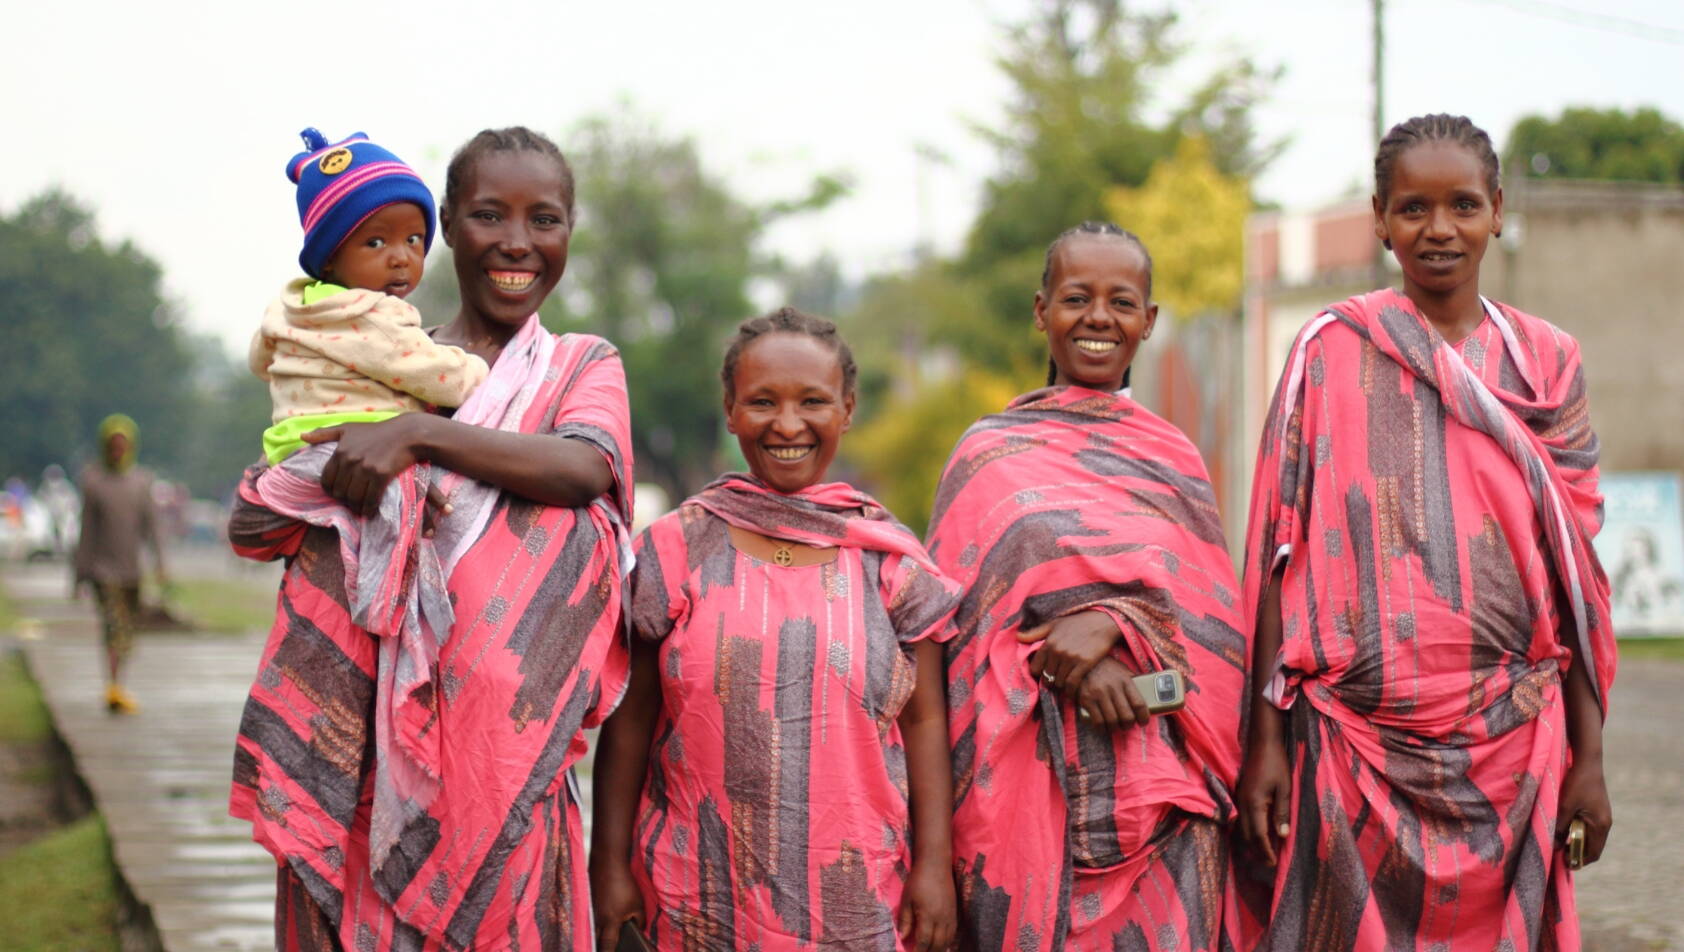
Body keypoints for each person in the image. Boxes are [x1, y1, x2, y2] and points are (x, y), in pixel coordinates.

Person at [228, 126, 634, 951]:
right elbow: (269, 508)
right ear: (447, 225)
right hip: (363, 765)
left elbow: (586, 470)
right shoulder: (379, 358)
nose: (517, 243)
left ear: (569, 231)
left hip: (510, 770)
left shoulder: (579, 367)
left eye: (544, 219)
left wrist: (418, 437)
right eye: (490, 215)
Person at [1236, 114, 1614, 951]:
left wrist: (1589, 759)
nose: (1438, 229)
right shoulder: (1326, 352)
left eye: (1463, 205)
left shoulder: (1546, 366)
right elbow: (1274, 558)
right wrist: (1263, 746)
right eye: (1413, 208)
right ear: (1379, 218)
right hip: (1348, 751)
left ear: (1498, 212)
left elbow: (1576, 583)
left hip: (1514, 758)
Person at [590, 308, 960, 952]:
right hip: (696, 899)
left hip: (860, 899)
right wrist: (609, 863)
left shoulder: (891, 563)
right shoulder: (677, 551)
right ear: (730, 410)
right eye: (763, 402)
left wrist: (933, 867)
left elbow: (926, 721)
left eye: (812, 401)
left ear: (847, 409)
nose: (788, 425)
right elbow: (630, 718)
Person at [926, 223, 1248, 951]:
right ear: (1042, 311)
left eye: (1121, 301)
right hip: (1019, 818)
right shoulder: (986, 457)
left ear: (1148, 321)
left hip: (1168, 817)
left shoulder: (1175, 459)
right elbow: (951, 645)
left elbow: (1217, 640)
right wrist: (1065, 660)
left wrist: (1118, 624)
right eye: (1077, 298)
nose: (1098, 318)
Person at [250, 127, 487, 466]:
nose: (400, 257)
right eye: (376, 242)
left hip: (287, 451)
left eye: (414, 239)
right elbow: (442, 379)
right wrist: (480, 368)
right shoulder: (371, 317)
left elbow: (261, 361)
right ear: (329, 257)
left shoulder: (287, 309)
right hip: (352, 453)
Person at [74, 413, 167, 714]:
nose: (117, 451)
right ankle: (113, 687)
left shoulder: (141, 482)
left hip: (131, 570)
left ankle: (118, 684)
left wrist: (160, 562)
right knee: (115, 628)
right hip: (103, 571)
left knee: (127, 630)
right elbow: (86, 532)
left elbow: (152, 527)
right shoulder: (94, 482)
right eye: (112, 446)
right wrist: (79, 575)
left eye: (122, 446)